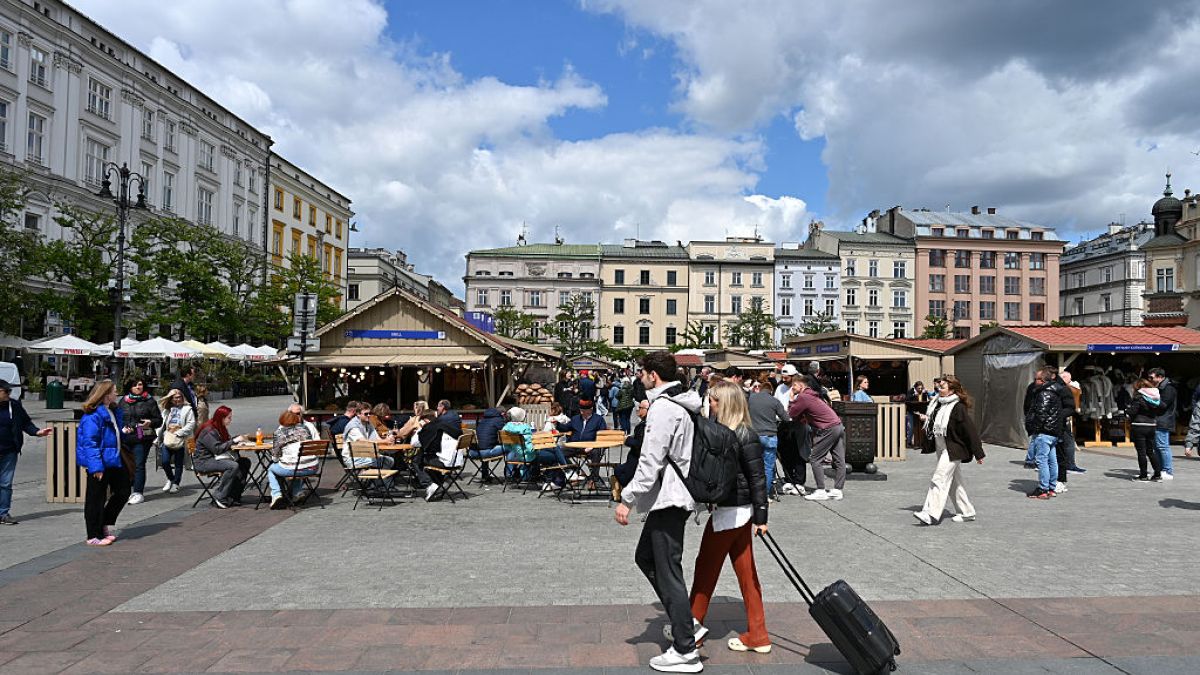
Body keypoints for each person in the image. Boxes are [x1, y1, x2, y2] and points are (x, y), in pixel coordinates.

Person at [615, 351, 702, 672]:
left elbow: (651, 460)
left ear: (653, 375)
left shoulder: (664, 408)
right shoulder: (679, 401)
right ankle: (686, 622)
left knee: (668, 571)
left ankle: (685, 649)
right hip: (671, 498)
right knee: (646, 558)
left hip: (670, 499)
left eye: (641, 373)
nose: (639, 377)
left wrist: (627, 498)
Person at [686, 380, 771, 654]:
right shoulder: (737, 432)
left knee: (705, 570)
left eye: (713, 400)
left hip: (730, 511)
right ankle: (758, 634)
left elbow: (759, 479)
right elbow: (756, 479)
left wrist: (762, 517)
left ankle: (690, 632)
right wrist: (758, 517)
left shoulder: (742, 434)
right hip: (741, 512)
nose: (709, 404)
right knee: (747, 574)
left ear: (725, 403)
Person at [913, 376, 985, 525]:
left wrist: (978, 453)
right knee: (954, 482)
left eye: (943, 387)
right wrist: (926, 419)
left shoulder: (958, 407)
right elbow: (935, 421)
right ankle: (967, 512)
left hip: (954, 449)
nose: (939, 389)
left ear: (952, 390)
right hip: (941, 446)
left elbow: (969, 430)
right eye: (939, 386)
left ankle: (930, 513)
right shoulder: (938, 403)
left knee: (939, 478)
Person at [76, 381, 131, 545]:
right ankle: (93, 535)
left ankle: (104, 522)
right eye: (114, 391)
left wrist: (124, 432)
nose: (117, 394)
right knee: (95, 498)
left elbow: (114, 433)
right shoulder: (92, 416)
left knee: (123, 491)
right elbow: (90, 442)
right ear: (106, 394)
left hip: (113, 459)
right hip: (100, 461)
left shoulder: (113, 411)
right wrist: (96, 467)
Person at [0, 379, 52, 525]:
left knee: (5, 484)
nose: (9, 394)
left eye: (9, 391)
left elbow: (25, 423)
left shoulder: (14, 406)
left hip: (9, 451)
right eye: (6, 391)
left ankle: (3, 513)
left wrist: (37, 432)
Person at [788, 375, 846, 502]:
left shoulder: (803, 397)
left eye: (794, 385)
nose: (792, 388)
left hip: (827, 428)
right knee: (839, 459)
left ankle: (821, 490)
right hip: (838, 425)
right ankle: (838, 490)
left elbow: (792, 414)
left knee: (815, 459)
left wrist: (791, 399)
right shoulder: (814, 395)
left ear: (802, 386)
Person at [192, 405, 251, 509]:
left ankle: (233, 496)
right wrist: (234, 441)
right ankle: (220, 496)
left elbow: (224, 443)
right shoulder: (209, 430)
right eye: (229, 418)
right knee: (232, 466)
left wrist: (236, 440)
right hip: (203, 461)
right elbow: (217, 449)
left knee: (244, 462)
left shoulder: (219, 427)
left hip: (215, 458)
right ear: (221, 418)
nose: (230, 420)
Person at [118, 377, 162, 506]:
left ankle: (138, 492)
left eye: (140, 385)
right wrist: (122, 427)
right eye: (135, 385)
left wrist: (151, 422)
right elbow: (119, 417)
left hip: (142, 437)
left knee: (139, 464)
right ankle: (127, 489)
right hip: (126, 437)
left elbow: (159, 420)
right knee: (126, 465)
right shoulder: (123, 401)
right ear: (130, 387)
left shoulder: (149, 401)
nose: (138, 387)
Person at [1024, 366, 1064, 499]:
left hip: (1045, 431)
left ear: (1043, 380)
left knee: (1042, 461)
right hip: (1053, 431)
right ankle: (1051, 487)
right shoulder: (1055, 391)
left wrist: (1035, 428)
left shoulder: (1044, 393)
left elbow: (1041, 414)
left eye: (1037, 379)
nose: (1035, 381)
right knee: (1052, 460)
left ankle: (1043, 489)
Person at [267, 409, 320, 509]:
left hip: (294, 469)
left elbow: (274, 458)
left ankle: (277, 495)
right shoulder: (305, 429)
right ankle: (297, 493)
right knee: (296, 465)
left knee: (271, 469)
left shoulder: (279, 433)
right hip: (312, 467)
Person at [414, 401, 464, 500]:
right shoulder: (450, 424)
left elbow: (415, 443)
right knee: (428, 457)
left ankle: (429, 485)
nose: (437, 408)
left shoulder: (434, 427)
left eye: (438, 406)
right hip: (457, 460)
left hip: (446, 462)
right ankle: (437, 486)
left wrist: (420, 428)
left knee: (416, 460)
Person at [748, 383, 789, 498]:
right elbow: (785, 418)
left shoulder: (750, 398)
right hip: (770, 435)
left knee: (754, 466)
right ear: (771, 391)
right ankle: (764, 494)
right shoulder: (774, 401)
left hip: (754, 435)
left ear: (760, 389)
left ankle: (753, 492)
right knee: (768, 467)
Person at [772, 365, 806, 497]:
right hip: (782, 423)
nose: (784, 379)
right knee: (784, 453)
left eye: (787, 377)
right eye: (783, 377)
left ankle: (799, 481)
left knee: (798, 452)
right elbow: (776, 403)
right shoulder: (780, 388)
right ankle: (788, 479)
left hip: (797, 423)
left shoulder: (799, 388)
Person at [557, 399, 608, 486]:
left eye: (584, 410)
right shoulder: (575, 419)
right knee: (559, 452)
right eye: (581, 409)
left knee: (596, 452)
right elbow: (565, 428)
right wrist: (557, 424)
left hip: (590, 446)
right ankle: (575, 469)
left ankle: (594, 478)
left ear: (591, 409)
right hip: (575, 446)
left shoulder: (598, 419)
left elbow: (602, 435)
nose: (582, 412)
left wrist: (593, 446)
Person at [156, 389, 195, 494]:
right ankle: (170, 478)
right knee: (164, 461)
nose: (177, 399)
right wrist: (158, 436)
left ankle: (176, 483)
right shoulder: (167, 410)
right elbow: (162, 424)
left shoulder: (188, 409)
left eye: (179, 397)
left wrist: (180, 432)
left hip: (181, 438)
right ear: (171, 399)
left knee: (178, 464)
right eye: (175, 398)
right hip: (168, 437)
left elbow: (191, 424)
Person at [1127, 378, 1165, 482]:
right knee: (1150, 451)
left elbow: (1132, 411)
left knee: (1141, 452)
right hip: (1151, 425)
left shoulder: (1139, 397)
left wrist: (1128, 410)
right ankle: (1157, 475)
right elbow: (1163, 406)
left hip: (1139, 426)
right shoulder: (1155, 396)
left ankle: (1143, 475)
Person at [1147, 367, 1176, 480]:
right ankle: (1159, 470)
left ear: (1159, 377)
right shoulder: (1159, 387)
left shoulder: (1168, 388)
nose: (1150, 379)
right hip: (1157, 420)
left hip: (1163, 420)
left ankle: (1167, 471)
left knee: (1163, 446)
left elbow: (1163, 405)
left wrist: (1148, 398)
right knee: (1156, 447)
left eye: (1152, 377)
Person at [469, 406, 507, 482]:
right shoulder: (498, 420)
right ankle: (510, 475)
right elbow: (505, 433)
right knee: (509, 447)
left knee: (485, 445)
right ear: (502, 414)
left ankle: (485, 474)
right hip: (485, 453)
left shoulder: (483, 419)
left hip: (473, 452)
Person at [905, 381, 928, 448]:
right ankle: (909, 442)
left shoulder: (923, 393)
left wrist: (926, 394)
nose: (920, 390)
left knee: (921, 427)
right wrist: (914, 395)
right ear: (915, 387)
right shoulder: (911, 391)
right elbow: (907, 400)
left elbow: (925, 401)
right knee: (912, 427)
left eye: (921, 388)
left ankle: (920, 443)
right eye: (919, 388)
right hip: (911, 412)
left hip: (920, 412)